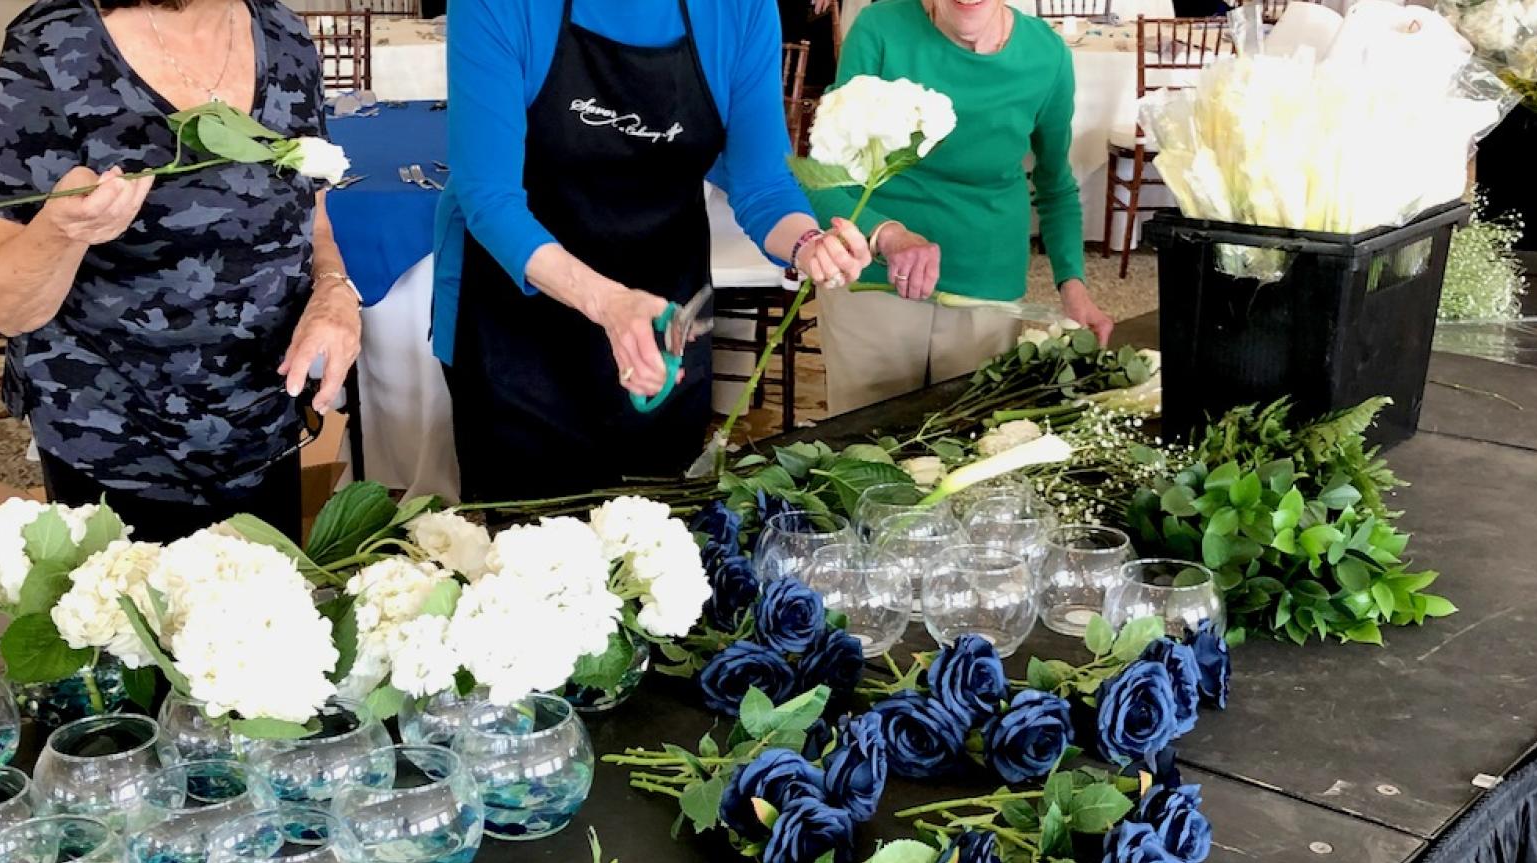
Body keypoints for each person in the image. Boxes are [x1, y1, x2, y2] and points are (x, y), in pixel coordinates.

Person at [436, 0, 872, 502]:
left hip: (664, 317)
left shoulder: (741, 9)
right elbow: (489, 198)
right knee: (529, 546)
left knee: (653, 540)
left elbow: (764, 184)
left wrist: (807, 244)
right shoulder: (499, 6)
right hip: (516, 319)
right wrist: (609, 303)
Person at [0, 0, 359, 542]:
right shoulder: (53, 44)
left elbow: (313, 222)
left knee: (266, 618)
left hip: (261, 429)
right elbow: (7, 307)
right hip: (115, 442)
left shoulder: (285, 35)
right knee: (125, 623)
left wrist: (334, 290)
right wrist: (62, 231)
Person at [808, 0, 1115, 416]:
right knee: (867, 444)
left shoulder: (1047, 56)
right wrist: (889, 234)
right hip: (874, 280)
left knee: (967, 445)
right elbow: (823, 177)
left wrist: (1073, 284)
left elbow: (1055, 183)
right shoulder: (880, 28)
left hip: (985, 291)